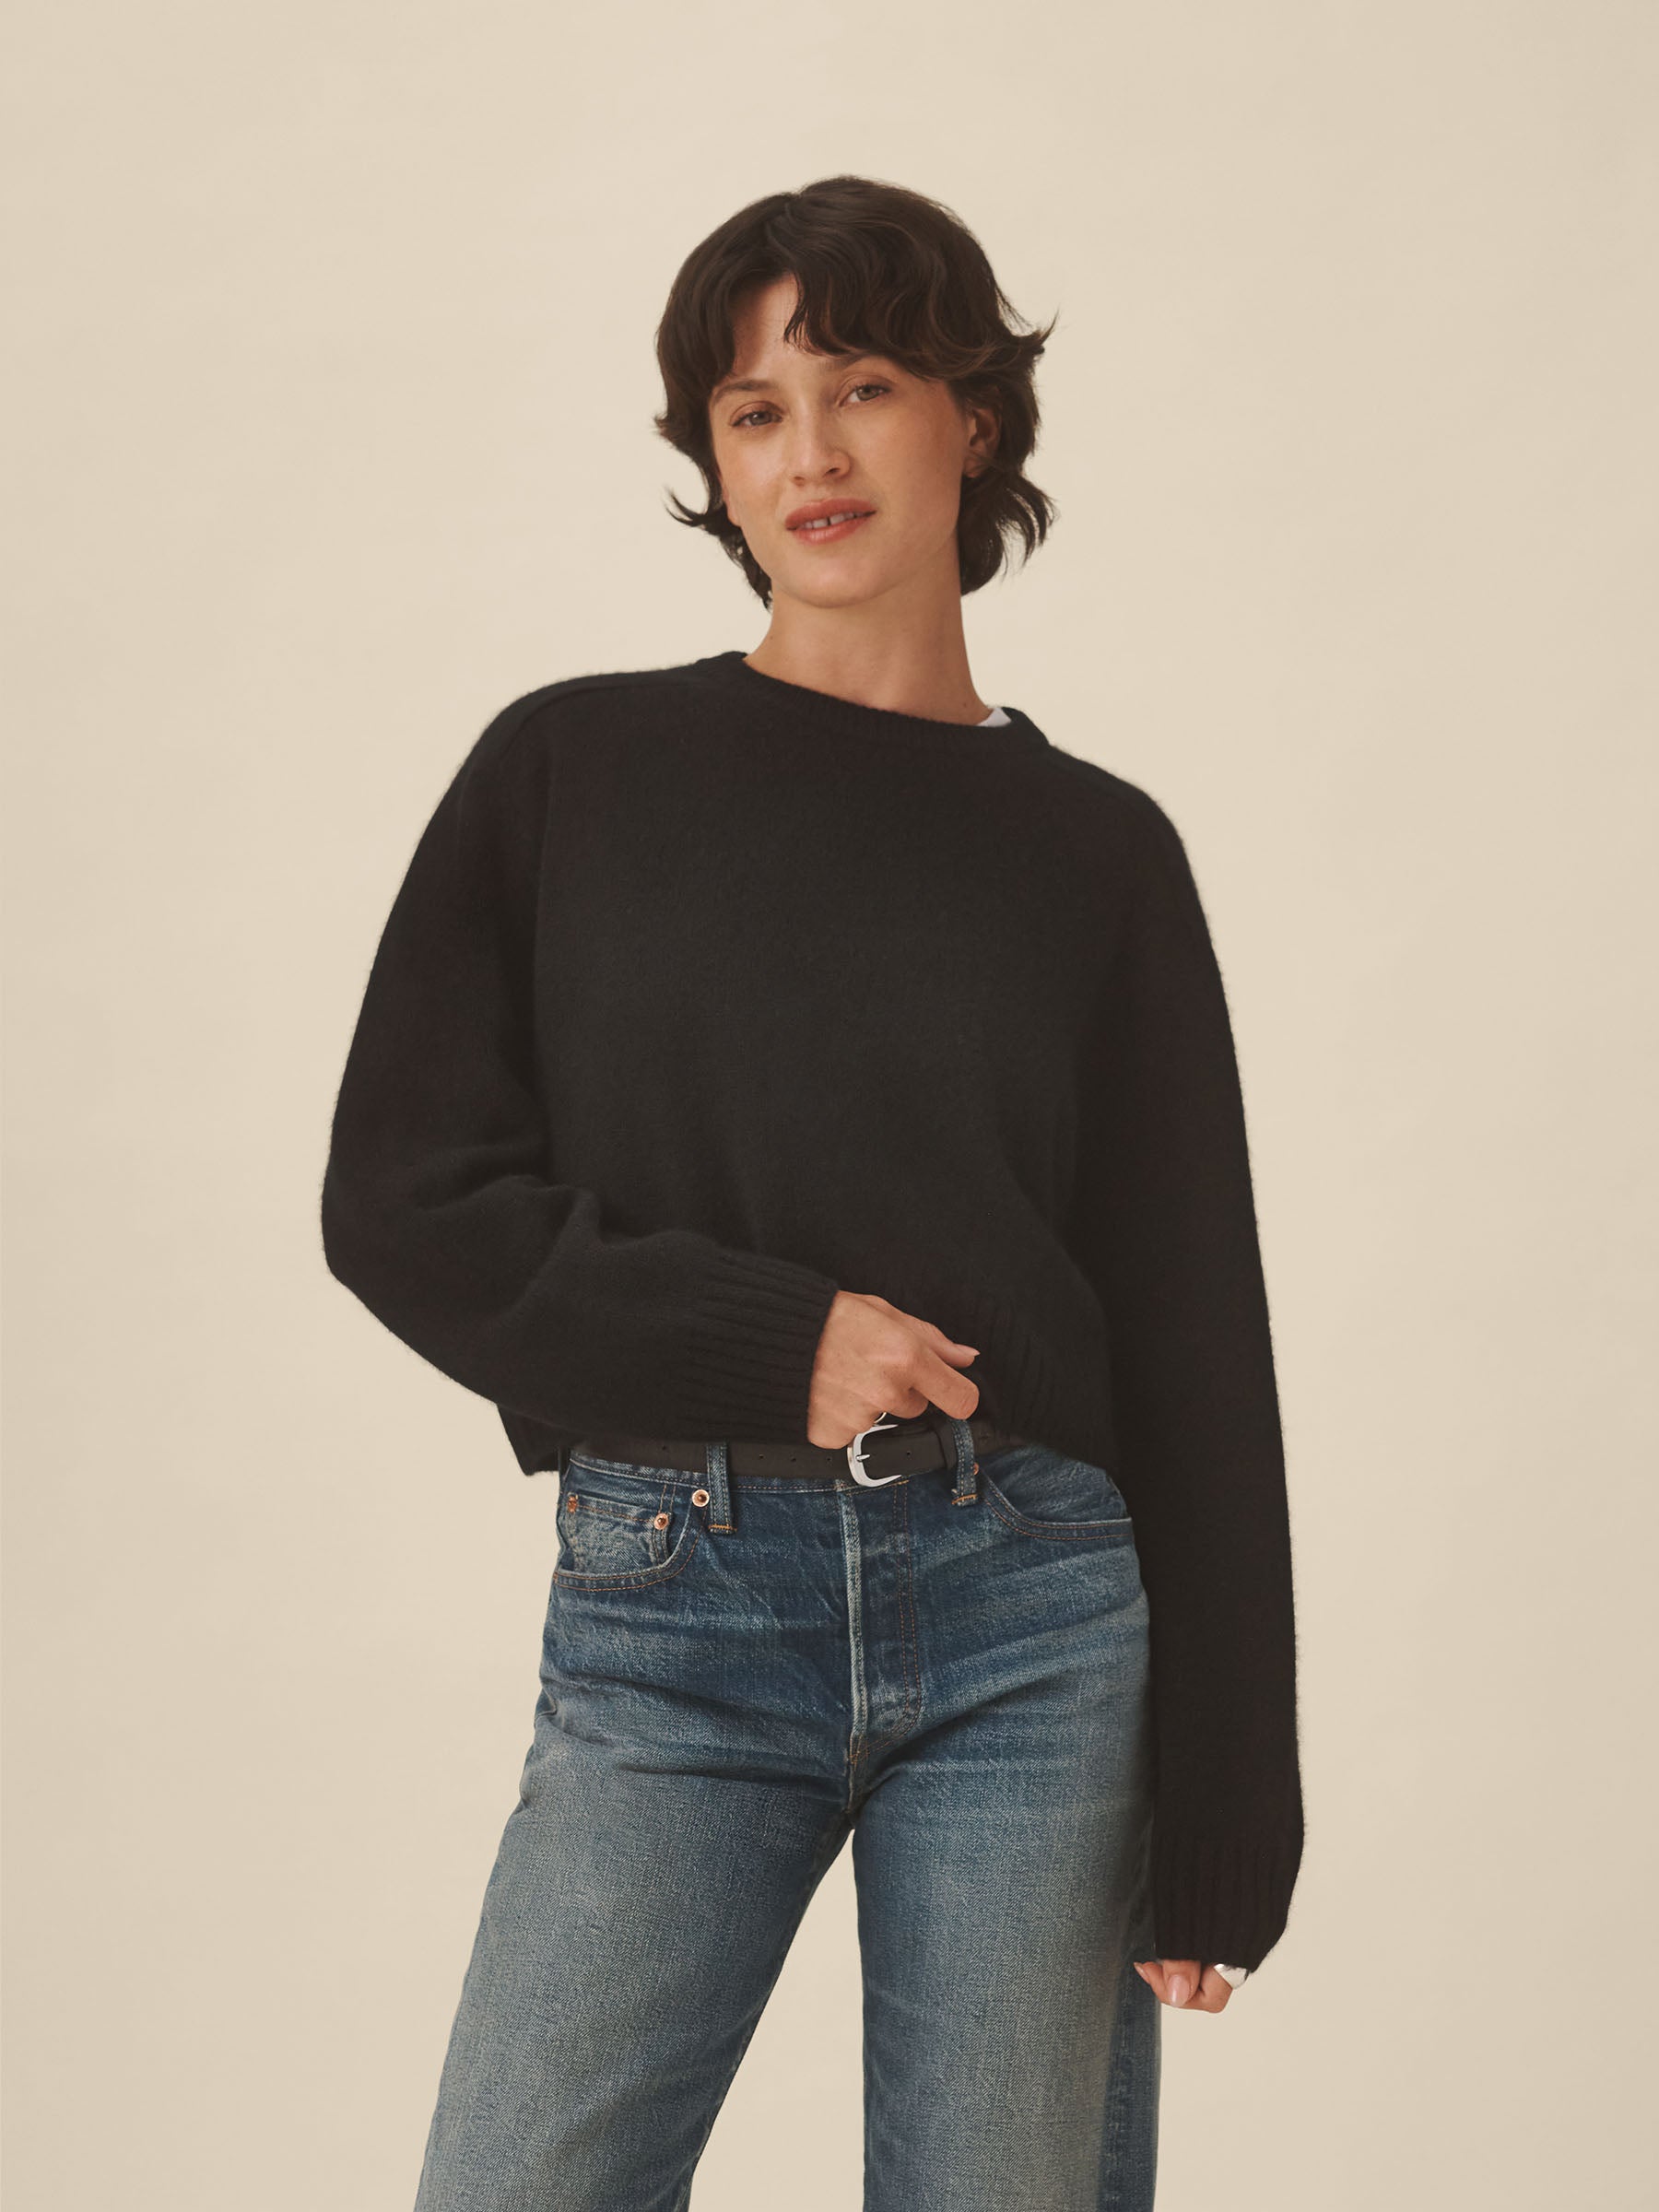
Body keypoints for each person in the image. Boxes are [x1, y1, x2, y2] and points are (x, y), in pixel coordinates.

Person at [322, 173, 1304, 2212]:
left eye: (862, 387)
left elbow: (1197, 1337)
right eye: (754, 411)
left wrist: (1229, 1802)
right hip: (676, 1597)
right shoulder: (572, 771)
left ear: (976, 422)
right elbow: (402, 1196)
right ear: (713, 460)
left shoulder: (1098, 852)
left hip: (1037, 1615)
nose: (811, 454)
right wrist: (780, 1343)